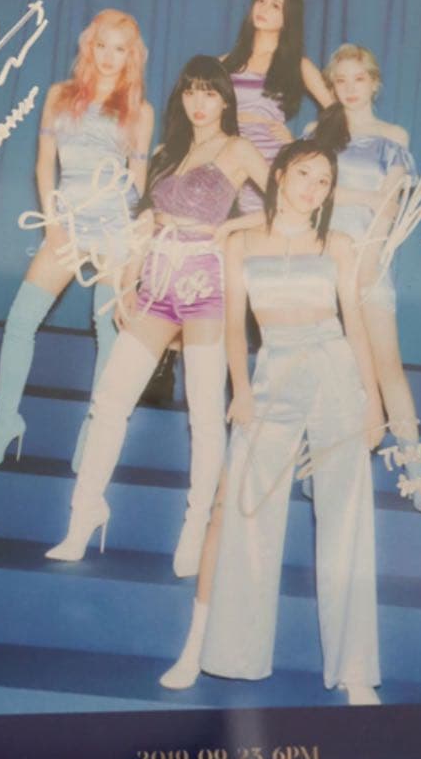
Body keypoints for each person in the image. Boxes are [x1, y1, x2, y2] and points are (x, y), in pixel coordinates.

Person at [160, 140, 383, 700]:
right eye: (304, 174)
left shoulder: (338, 244)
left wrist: (373, 402)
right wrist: (241, 390)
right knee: (247, 513)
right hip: (273, 373)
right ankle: (232, 657)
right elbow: (235, 327)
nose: (313, 188)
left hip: (334, 370)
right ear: (280, 174)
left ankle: (356, 673)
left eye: (324, 181)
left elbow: (356, 326)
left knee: (346, 519)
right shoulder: (241, 243)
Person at [45, 56, 269, 576]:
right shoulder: (171, 151)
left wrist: (231, 228)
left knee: (205, 416)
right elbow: (144, 220)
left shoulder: (237, 149)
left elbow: (283, 205)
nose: (198, 102)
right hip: (156, 284)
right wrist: (127, 280)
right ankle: (84, 515)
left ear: (225, 99)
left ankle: (195, 530)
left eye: (209, 92)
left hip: (205, 285)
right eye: (190, 92)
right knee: (109, 401)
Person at [0, 10, 154, 465]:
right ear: (89, 46)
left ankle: (92, 437)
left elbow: (139, 181)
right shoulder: (60, 95)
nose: (108, 56)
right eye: (102, 45)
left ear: (131, 56)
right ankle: (5, 424)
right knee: (20, 321)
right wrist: (52, 224)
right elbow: (43, 164)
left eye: (119, 49)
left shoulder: (140, 110)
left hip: (113, 226)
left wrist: (131, 246)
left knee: (108, 332)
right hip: (67, 222)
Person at [315, 42, 421, 515]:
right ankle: (319, 470)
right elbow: (312, 196)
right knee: (330, 370)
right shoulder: (317, 133)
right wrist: (359, 198)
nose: (350, 89)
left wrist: (367, 259)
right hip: (322, 263)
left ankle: (417, 477)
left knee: (388, 368)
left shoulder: (392, 136)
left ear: (374, 83)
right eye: (340, 80)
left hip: (368, 261)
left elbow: (388, 206)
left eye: (358, 79)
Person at [221, 0, 333, 212]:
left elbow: (337, 114)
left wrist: (300, 145)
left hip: (268, 156)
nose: (263, 9)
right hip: (226, 152)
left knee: (263, 222)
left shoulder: (298, 65)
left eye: (275, 6)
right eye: (260, 0)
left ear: (288, 17)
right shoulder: (224, 63)